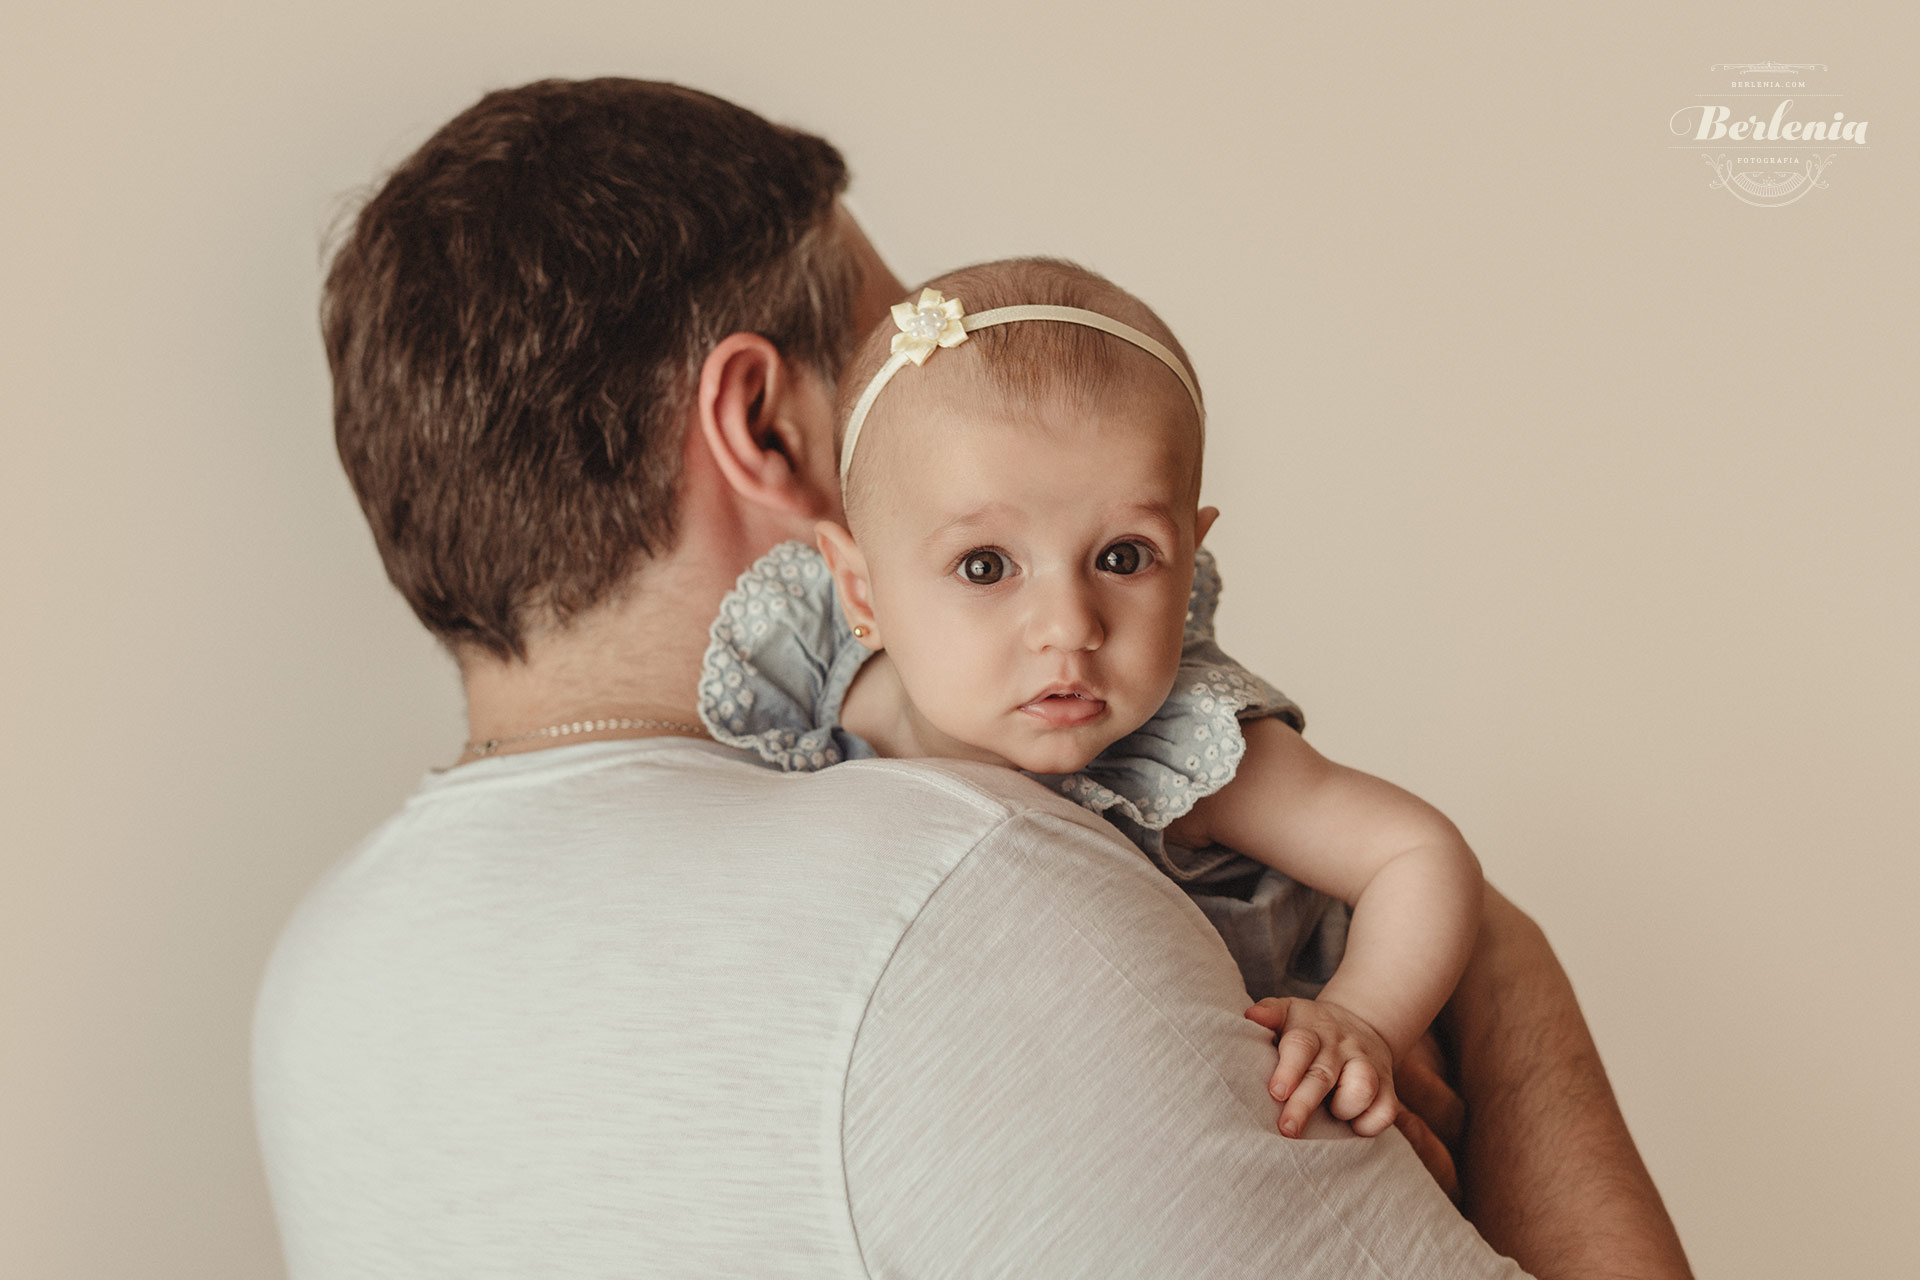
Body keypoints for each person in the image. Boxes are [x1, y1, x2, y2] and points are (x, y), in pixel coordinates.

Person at [254, 77, 1693, 1278]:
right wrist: (1496, 964)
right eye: (891, 356)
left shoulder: (326, 979)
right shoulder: (967, 880)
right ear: (765, 423)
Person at [697, 258, 1481, 1141]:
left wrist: (1367, 1020)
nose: (1069, 627)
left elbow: (1416, 852)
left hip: (1281, 1098)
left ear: (1189, 558)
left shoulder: (1191, 751)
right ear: (861, 591)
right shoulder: (814, 705)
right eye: (985, 566)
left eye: (1123, 557)